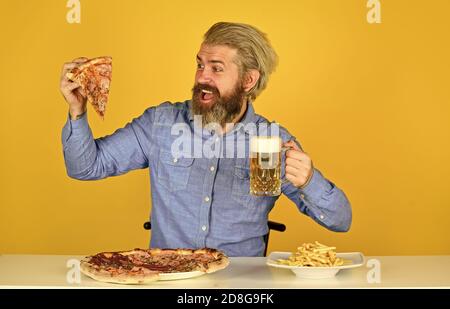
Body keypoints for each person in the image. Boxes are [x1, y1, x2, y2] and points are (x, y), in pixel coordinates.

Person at [60, 22, 351, 257]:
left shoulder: (271, 142)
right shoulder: (161, 124)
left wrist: (309, 180)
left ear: (248, 81)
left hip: (241, 286)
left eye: (216, 68)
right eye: (200, 65)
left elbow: (341, 221)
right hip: (169, 279)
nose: (202, 77)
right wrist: (77, 111)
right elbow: (85, 167)